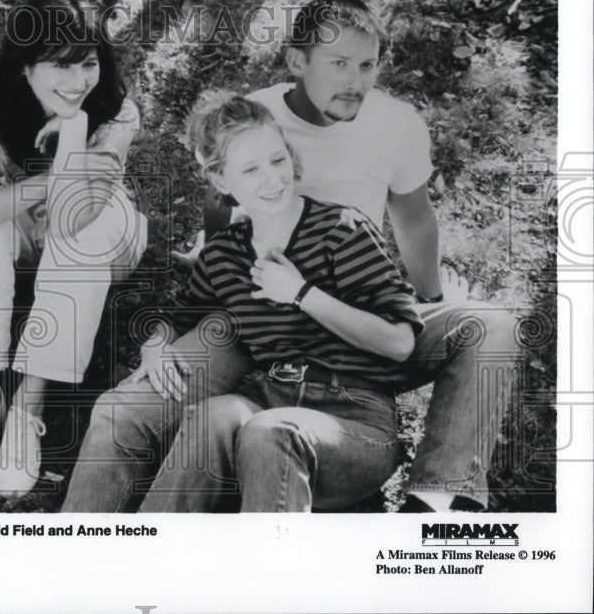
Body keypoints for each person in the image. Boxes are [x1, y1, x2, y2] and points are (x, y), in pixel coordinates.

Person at [63, 0, 519, 513]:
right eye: (339, 63)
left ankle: (437, 500)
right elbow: (220, 202)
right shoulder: (257, 114)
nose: (356, 80)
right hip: (258, 302)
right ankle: (87, 548)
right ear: (298, 62)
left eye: (367, 65)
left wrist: (429, 295)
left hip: (356, 294)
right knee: (125, 409)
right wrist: (213, 273)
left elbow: (413, 218)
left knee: (492, 325)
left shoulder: (395, 128)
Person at [136, 93, 423, 511]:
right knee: (216, 413)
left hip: (355, 418)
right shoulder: (224, 254)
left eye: (278, 160)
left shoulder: (341, 229)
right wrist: (155, 342)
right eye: (250, 169)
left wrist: (302, 293)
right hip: (269, 396)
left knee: (270, 429)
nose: (272, 180)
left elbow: (399, 342)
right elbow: (181, 316)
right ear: (221, 182)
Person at [0, 0, 147, 499]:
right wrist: (44, 183)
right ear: (25, 66)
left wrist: (75, 131)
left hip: (102, 232)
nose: (78, 82)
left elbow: (72, 221)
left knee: (76, 241)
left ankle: (26, 412)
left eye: (88, 64)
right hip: (28, 218)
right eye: (60, 65)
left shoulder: (117, 114)